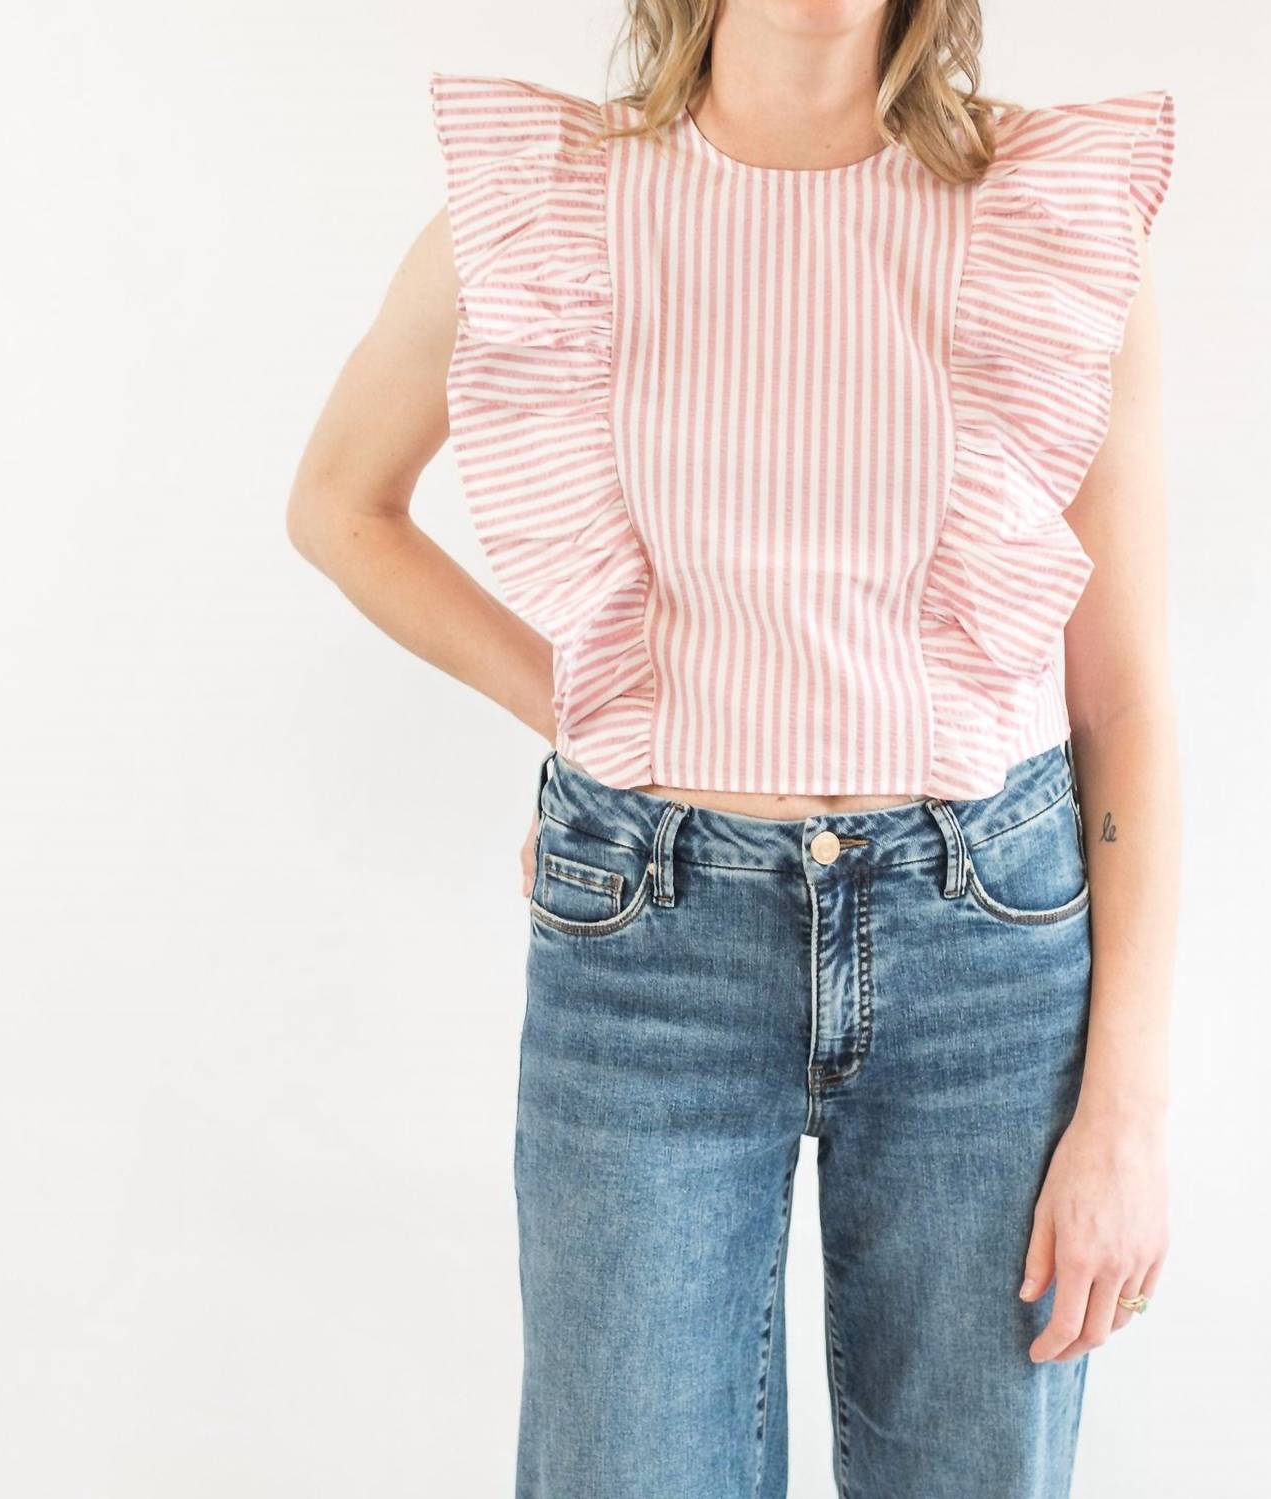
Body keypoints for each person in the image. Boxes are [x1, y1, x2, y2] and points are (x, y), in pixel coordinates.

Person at [286, 2, 1180, 1493]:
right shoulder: (550, 203)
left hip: (987, 956)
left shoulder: (1046, 219)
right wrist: (595, 714)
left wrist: (1128, 1118)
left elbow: (1125, 707)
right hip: (652, 952)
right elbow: (339, 506)